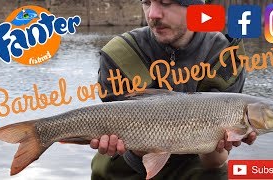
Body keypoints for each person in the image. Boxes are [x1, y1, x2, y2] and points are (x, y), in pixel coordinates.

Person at [90, 0, 257, 179]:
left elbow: (215, 161)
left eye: (166, 3)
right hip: (127, 159)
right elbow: (125, 142)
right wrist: (141, 145)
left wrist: (218, 144)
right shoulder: (119, 54)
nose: (152, 14)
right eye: (146, 2)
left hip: (197, 162)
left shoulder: (225, 54)